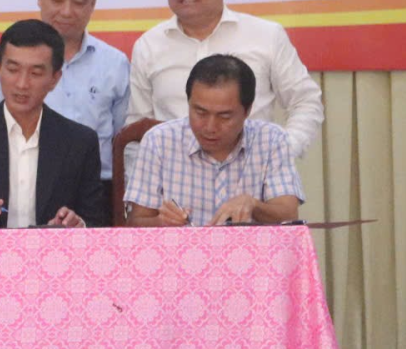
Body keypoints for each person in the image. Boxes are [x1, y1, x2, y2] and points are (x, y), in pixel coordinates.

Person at [127, 0, 323, 157]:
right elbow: (137, 128)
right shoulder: (149, 45)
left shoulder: (266, 35)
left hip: (253, 171)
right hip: (175, 174)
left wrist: (283, 152)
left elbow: (306, 101)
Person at [0, 20, 106, 229]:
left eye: (35, 73)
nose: (22, 84)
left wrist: (77, 224)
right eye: (13, 69)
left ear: (55, 78)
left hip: (52, 249)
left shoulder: (80, 142)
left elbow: (96, 220)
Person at [0, 0, 130, 183]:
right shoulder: (8, 55)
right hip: (20, 183)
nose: (66, 12)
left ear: (93, 3)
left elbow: (123, 141)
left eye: (79, 2)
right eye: (57, 0)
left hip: (95, 187)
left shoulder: (114, 63)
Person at [124, 54, 304, 226]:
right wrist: (161, 222)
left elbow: (288, 215)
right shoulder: (159, 141)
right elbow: (135, 222)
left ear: (247, 110)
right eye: (200, 112)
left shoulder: (271, 140)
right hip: (180, 248)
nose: (210, 127)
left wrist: (254, 205)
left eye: (224, 116)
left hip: (251, 248)